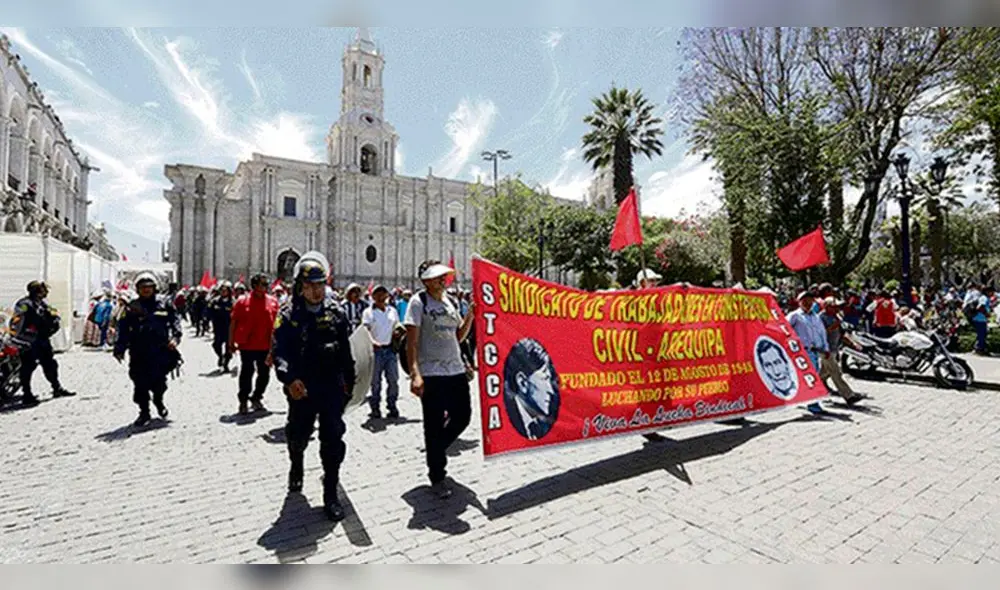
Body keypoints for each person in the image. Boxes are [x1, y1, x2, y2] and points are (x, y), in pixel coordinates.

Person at [272, 252, 356, 521]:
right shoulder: (287, 315)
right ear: (300, 287)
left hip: (331, 388)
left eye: (320, 285)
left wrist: (350, 385)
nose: (317, 291)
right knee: (298, 435)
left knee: (333, 441)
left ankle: (330, 494)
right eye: (311, 286)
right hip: (302, 389)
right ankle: (296, 465)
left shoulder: (337, 314)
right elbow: (280, 352)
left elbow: (346, 352)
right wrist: (289, 379)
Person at [405, 259, 475, 499]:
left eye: (443, 277)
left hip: (455, 370)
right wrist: (415, 373)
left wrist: (472, 315)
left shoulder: (449, 302)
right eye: (436, 277)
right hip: (432, 373)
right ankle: (437, 475)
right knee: (433, 425)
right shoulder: (418, 302)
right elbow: (411, 342)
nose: (441, 281)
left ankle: (435, 450)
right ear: (425, 281)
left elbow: (459, 336)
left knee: (463, 417)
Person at [113, 272, 183, 426]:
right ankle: (144, 411)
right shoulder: (132, 307)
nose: (146, 290)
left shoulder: (164, 303)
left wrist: (175, 338)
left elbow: (175, 321)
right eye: (143, 287)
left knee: (159, 383)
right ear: (138, 289)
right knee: (139, 382)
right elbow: (123, 329)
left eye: (149, 287)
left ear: (154, 288)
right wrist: (119, 348)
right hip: (139, 351)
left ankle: (158, 401)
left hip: (160, 351)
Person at [7, 281, 77, 407]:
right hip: (29, 341)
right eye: (44, 290)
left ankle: (57, 388)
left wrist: (54, 318)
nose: (46, 293)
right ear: (37, 291)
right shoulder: (24, 304)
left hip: (42, 340)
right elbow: (17, 320)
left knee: (50, 365)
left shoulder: (42, 304)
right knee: (27, 367)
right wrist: (19, 338)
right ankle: (27, 394)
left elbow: (52, 313)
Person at [229, 273, 279, 414]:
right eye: (263, 284)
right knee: (247, 372)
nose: (266, 287)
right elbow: (233, 322)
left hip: (266, 345)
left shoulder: (273, 301)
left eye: (267, 284)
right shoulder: (242, 301)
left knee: (264, 374)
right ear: (255, 286)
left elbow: (277, 324)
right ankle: (243, 400)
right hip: (247, 345)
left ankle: (257, 397)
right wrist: (231, 342)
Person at [503, 338, 560, 440]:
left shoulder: (542, 420)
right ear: (523, 383)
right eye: (545, 379)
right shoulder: (507, 417)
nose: (551, 391)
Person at [362, 285, 403, 420]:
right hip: (376, 351)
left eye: (383, 294)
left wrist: (398, 332)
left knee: (393, 380)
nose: (380, 296)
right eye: (377, 294)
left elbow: (397, 325)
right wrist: (372, 341)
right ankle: (375, 407)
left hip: (390, 350)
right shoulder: (368, 312)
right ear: (372, 296)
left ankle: (392, 406)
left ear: (387, 296)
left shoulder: (392, 310)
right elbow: (366, 330)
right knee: (375, 382)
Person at [786, 290, 827, 414]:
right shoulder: (794, 316)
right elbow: (785, 329)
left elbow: (822, 332)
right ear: (799, 302)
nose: (808, 303)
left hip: (815, 352)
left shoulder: (815, 316)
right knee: (811, 378)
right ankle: (813, 404)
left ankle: (808, 400)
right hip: (802, 352)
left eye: (810, 301)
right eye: (805, 301)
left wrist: (826, 348)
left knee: (812, 377)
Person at [819, 297, 864, 406]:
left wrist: (853, 344)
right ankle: (849, 396)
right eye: (835, 307)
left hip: (835, 348)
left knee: (825, 373)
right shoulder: (821, 317)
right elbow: (819, 334)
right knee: (836, 372)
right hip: (826, 349)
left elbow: (842, 333)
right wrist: (831, 327)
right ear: (827, 307)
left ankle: (811, 386)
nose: (837, 308)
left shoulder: (837, 316)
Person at [208, 281, 235, 372]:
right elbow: (209, 311)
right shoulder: (215, 301)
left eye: (225, 290)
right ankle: (220, 356)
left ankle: (226, 363)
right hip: (218, 328)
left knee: (229, 348)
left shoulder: (233, 302)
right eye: (222, 290)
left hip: (229, 329)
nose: (223, 292)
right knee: (216, 345)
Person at [972, 287, 993, 355]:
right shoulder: (984, 298)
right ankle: (980, 349)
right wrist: (986, 314)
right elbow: (980, 307)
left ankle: (979, 348)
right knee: (982, 335)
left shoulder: (984, 298)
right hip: (980, 319)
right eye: (991, 292)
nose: (992, 293)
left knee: (981, 334)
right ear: (987, 291)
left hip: (981, 319)